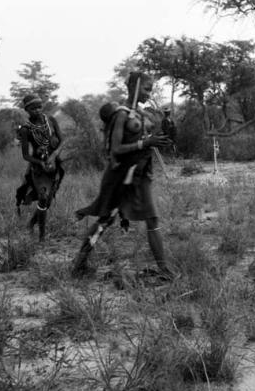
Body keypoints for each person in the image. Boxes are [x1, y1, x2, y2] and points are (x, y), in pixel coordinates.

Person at [71, 71, 176, 280]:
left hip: (140, 173)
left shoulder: (141, 114)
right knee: (107, 219)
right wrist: (144, 143)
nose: (149, 93)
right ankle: (78, 265)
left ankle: (164, 270)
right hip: (122, 175)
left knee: (148, 218)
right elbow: (115, 149)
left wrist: (163, 132)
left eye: (151, 89)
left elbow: (154, 137)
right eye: (146, 88)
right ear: (134, 87)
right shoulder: (121, 114)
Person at [15, 94, 65, 241]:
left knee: (47, 201)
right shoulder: (25, 129)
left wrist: (54, 155)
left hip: (54, 165)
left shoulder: (51, 120)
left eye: (39, 107)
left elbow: (62, 141)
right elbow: (26, 155)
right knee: (43, 197)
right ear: (27, 110)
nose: (37, 110)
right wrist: (40, 162)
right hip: (38, 168)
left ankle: (31, 224)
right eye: (33, 108)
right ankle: (42, 237)